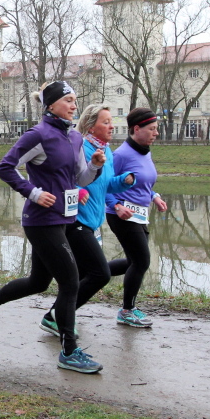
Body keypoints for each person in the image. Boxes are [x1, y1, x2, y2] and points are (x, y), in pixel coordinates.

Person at [0, 80, 106, 374]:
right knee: (70, 282)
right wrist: (32, 192)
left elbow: (80, 178)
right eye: (68, 100)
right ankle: (69, 351)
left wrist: (95, 165)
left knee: (38, 283)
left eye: (75, 100)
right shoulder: (38, 135)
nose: (74, 106)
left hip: (66, 218)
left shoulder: (74, 138)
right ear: (51, 105)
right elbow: (5, 167)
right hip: (42, 221)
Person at [38, 104, 135, 336]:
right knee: (100, 274)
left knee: (80, 276)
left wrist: (125, 181)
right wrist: (77, 189)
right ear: (91, 126)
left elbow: (105, 185)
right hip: (75, 220)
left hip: (92, 221)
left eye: (112, 122)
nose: (112, 126)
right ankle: (56, 317)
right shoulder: (80, 146)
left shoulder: (106, 151)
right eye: (106, 122)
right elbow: (63, 176)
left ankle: (58, 317)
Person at [105, 107, 167, 328]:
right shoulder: (121, 155)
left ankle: (92, 274)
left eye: (156, 129)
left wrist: (154, 196)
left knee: (133, 262)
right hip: (121, 215)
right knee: (142, 261)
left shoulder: (145, 152)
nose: (156, 133)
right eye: (152, 129)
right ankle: (126, 311)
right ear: (136, 128)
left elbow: (142, 182)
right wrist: (116, 206)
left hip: (140, 214)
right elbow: (104, 185)